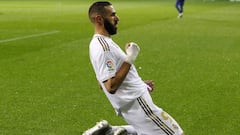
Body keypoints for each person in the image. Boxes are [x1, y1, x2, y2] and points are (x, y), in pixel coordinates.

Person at [85, 1, 185, 135]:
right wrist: (131, 57)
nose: (117, 18)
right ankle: (112, 132)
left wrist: (139, 84)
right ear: (99, 19)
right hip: (138, 104)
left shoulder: (97, 43)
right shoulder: (104, 47)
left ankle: (111, 131)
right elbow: (110, 86)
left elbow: (101, 82)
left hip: (133, 104)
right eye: (112, 15)